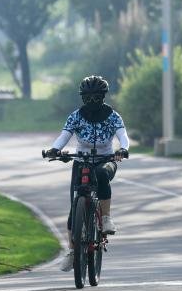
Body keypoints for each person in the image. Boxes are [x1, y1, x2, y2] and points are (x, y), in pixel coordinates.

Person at [44, 75, 129, 272]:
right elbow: (64, 136)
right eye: (88, 97)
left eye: (96, 97)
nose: (92, 101)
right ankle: (73, 251)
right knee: (74, 208)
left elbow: (123, 136)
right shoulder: (75, 116)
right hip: (81, 160)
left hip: (106, 160)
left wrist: (122, 149)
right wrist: (55, 150)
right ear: (82, 98)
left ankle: (106, 218)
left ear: (103, 97)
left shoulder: (113, 116)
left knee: (100, 174)